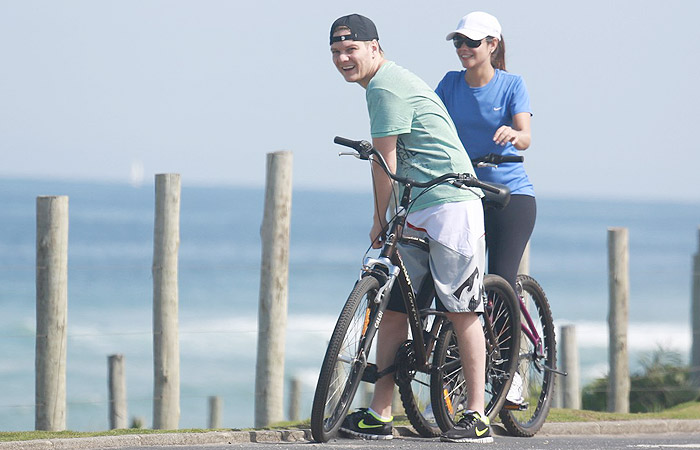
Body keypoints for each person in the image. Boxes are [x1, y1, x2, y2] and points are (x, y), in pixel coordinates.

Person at [329, 13, 493, 443]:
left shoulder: (385, 86)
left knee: (461, 309)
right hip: (417, 204)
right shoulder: (383, 83)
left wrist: (379, 219)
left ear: (375, 48)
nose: (344, 58)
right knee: (395, 308)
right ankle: (380, 413)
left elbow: (386, 165)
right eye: (336, 52)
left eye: (351, 49)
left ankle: (476, 415)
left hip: (451, 205)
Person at [436, 11, 535, 297]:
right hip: (464, 193)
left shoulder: (512, 84)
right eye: (458, 42)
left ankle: (509, 342)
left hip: (510, 195)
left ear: (492, 44)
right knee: (456, 281)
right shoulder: (449, 83)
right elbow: (430, 123)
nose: (463, 48)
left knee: (499, 284)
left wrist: (515, 134)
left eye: (471, 41)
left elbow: (526, 137)